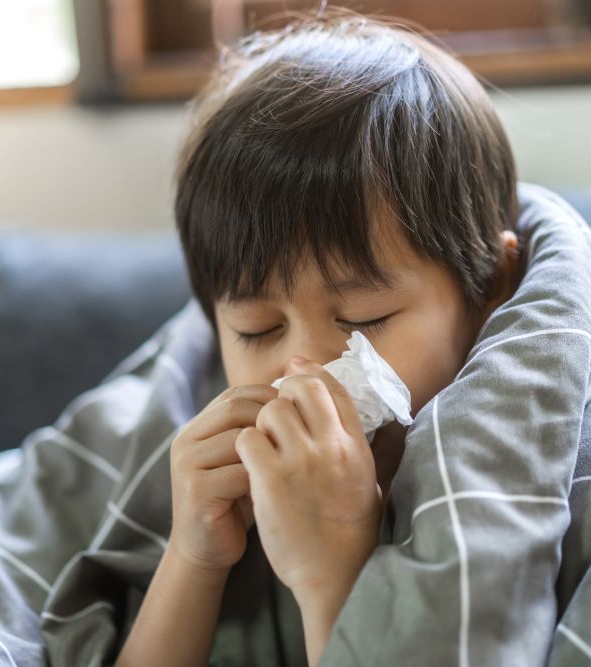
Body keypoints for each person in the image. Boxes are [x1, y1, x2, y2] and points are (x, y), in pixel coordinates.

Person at [116, 9, 525, 666]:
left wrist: (330, 575)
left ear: (490, 288)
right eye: (258, 328)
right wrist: (193, 556)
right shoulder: (226, 470)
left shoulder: (512, 479)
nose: (302, 367)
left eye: (364, 318)